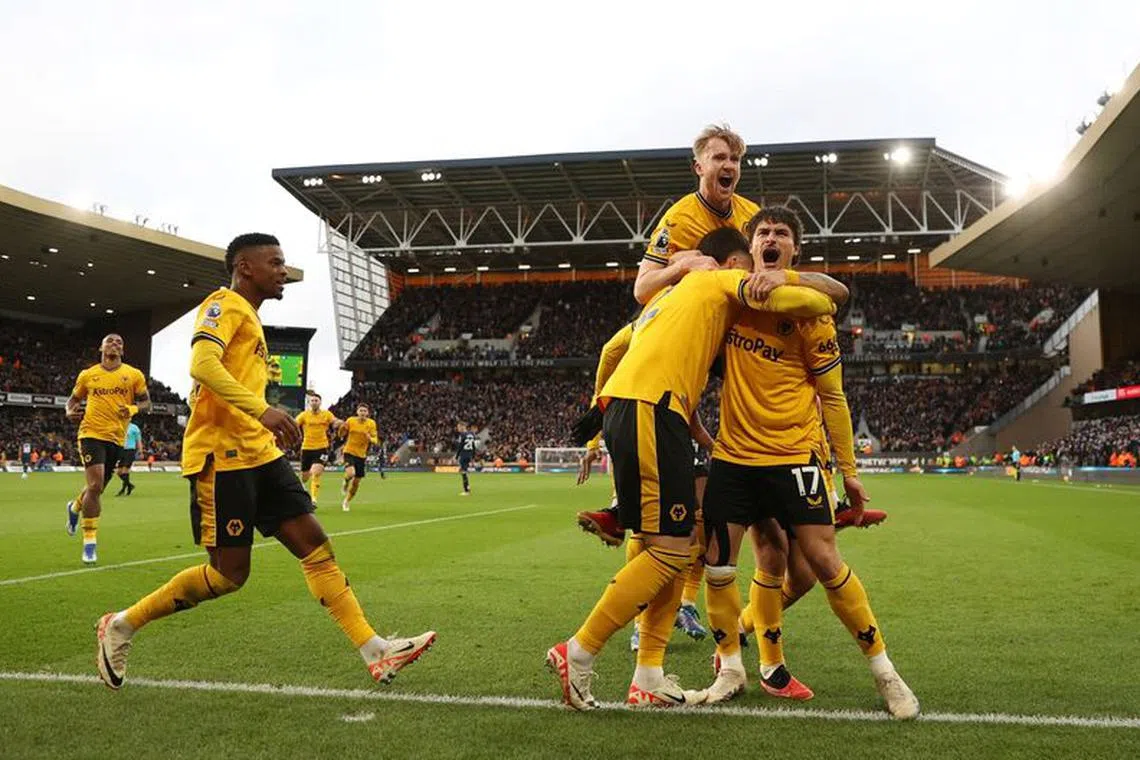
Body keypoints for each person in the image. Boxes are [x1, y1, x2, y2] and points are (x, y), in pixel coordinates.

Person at [94, 233, 435, 691]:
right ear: (244, 266)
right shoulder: (223, 303)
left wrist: (267, 419)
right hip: (222, 457)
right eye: (275, 262)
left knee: (316, 547)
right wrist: (263, 410)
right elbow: (202, 365)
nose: (283, 271)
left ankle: (375, 651)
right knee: (228, 574)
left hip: (261, 452)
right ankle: (121, 624)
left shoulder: (251, 322)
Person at [550, 229, 836, 711]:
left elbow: (611, 351)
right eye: (747, 269)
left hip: (645, 410)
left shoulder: (667, 303)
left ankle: (649, 674)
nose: (752, 281)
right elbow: (799, 301)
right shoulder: (715, 282)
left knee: (672, 545)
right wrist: (802, 285)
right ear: (729, 264)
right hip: (654, 410)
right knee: (671, 552)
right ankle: (578, 651)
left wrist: (601, 414)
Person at [696, 206, 919, 719]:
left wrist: (851, 473)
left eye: (781, 234)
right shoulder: (729, 304)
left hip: (794, 456)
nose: (771, 239)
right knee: (722, 564)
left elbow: (834, 399)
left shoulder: (813, 314)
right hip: (733, 456)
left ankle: (886, 673)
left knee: (821, 563)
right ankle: (733, 668)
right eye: (763, 233)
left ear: (794, 250)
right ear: (751, 248)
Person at [633, 124, 759, 305]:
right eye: (719, 158)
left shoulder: (753, 214)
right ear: (699, 168)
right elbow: (642, 289)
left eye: (735, 159)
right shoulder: (677, 220)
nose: (729, 165)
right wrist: (681, 267)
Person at [65, 334, 151, 564]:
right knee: (94, 485)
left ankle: (74, 507)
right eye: (110, 341)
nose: (115, 344)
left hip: (117, 438)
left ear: (122, 351)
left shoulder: (133, 375)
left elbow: (146, 403)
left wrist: (132, 409)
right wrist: (69, 412)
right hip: (90, 433)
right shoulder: (88, 375)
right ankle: (90, 543)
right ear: (100, 347)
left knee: (97, 489)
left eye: (120, 342)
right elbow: (72, 401)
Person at [295, 392, 341, 506]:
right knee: (305, 477)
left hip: (322, 448)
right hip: (306, 448)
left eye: (316, 400)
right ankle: (302, 487)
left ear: (320, 402)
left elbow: (335, 421)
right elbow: (295, 423)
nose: (314, 402)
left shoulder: (326, 414)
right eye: (312, 400)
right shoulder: (304, 415)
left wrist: (339, 423)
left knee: (316, 473)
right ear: (309, 403)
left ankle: (313, 500)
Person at [338, 404, 379, 511]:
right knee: (351, 473)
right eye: (361, 410)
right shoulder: (351, 421)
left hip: (361, 455)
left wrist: (370, 438)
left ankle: (346, 501)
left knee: (356, 483)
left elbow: (375, 440)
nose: (362, 413)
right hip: (349, 451)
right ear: (357, 412)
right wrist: (341, 429)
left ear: (368, 413)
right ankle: (346, 481)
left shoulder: (371, 423)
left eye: (365, 411)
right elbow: (341, 434)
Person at [115, 421, 142, 496]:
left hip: (130, 450)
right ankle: (129, 486)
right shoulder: (120, 425)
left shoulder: (134, 428)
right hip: (122, 450)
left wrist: (140, 450)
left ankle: (124, 489)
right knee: (119, 472)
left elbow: (138, 440)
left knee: (125, 471)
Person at [456, 422, 477, 496]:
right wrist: (473, 457)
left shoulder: (462, 435)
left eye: (458, 427)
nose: (458, 429)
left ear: (462, 427)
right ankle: (467, 488)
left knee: (463, 472)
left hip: (464, 455)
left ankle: (466, 490)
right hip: (469, 455)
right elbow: (474, 447)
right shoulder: (471, 434)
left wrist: (457, 456)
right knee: (464, 471)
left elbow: (460, 446)